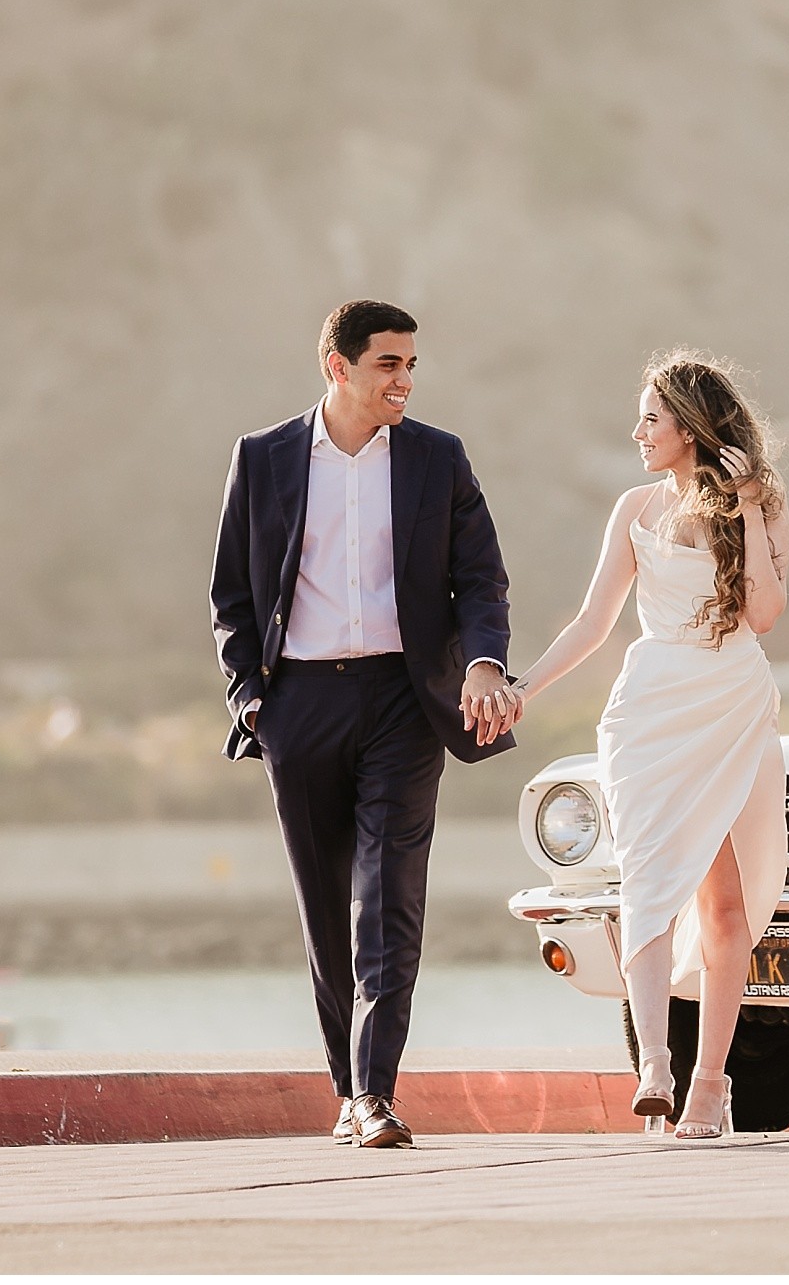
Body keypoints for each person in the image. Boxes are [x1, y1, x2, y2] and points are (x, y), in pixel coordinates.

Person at [209, 300, 521, 1149]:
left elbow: (481, 580)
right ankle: (348, 1090)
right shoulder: (264, 457)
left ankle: (376, 1091)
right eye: (388, 363)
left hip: (403, 701)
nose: (406, 380)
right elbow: (232, 599)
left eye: (411, 364)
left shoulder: (437, 458)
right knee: (324, 908)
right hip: (297, 704)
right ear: (338, 367)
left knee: (388, 899)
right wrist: (252, 702)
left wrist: (486, 663)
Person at [489, 351, 789, 1141]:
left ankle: (710, 1085)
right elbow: (592, 623)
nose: (638, 431)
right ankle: (653, 1063)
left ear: (689, 430)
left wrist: (753, 507)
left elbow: (762, 615)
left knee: (725, 905)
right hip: (650, 709)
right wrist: (523, 687)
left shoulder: (757, 504)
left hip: (730, 702)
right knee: (648, 884)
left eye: (651, 418)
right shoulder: (634, 508)